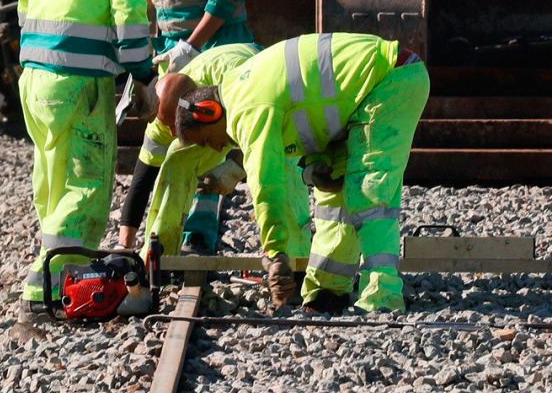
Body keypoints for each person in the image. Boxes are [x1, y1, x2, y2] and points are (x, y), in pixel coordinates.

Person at [173, 32, 429, 312]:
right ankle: (328, 291)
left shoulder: (247, 107)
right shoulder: (243, 90)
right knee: (333, 201)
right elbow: (309, 113)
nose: (216, 147)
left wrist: (275, 253)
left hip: (390, 79)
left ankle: (382, 298)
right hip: (363, 97)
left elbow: (266, 184)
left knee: (369, 192)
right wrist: (314, 168)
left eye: (208, 140)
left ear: (209, 111)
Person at [15, 0, 156, 325]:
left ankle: (64, 277)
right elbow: (131, 17)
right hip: (80, 85)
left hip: (34, 81)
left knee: (52, 182)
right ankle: (45, 289)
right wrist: (142, 73)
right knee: (86, 186)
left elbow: (25, 5)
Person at [117, 43, 315, 261]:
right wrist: (124, 246)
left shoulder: (235, 75)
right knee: (176, 161)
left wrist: (236, 167)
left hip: (261, 102)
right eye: (171, 130)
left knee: (281, 168)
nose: (175, 134)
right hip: (218, 114)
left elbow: (261, 130)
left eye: (179, 128)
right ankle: (161, 256)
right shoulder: (163, 118)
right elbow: (142, 178)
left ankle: (295, 260)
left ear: (200, 110)